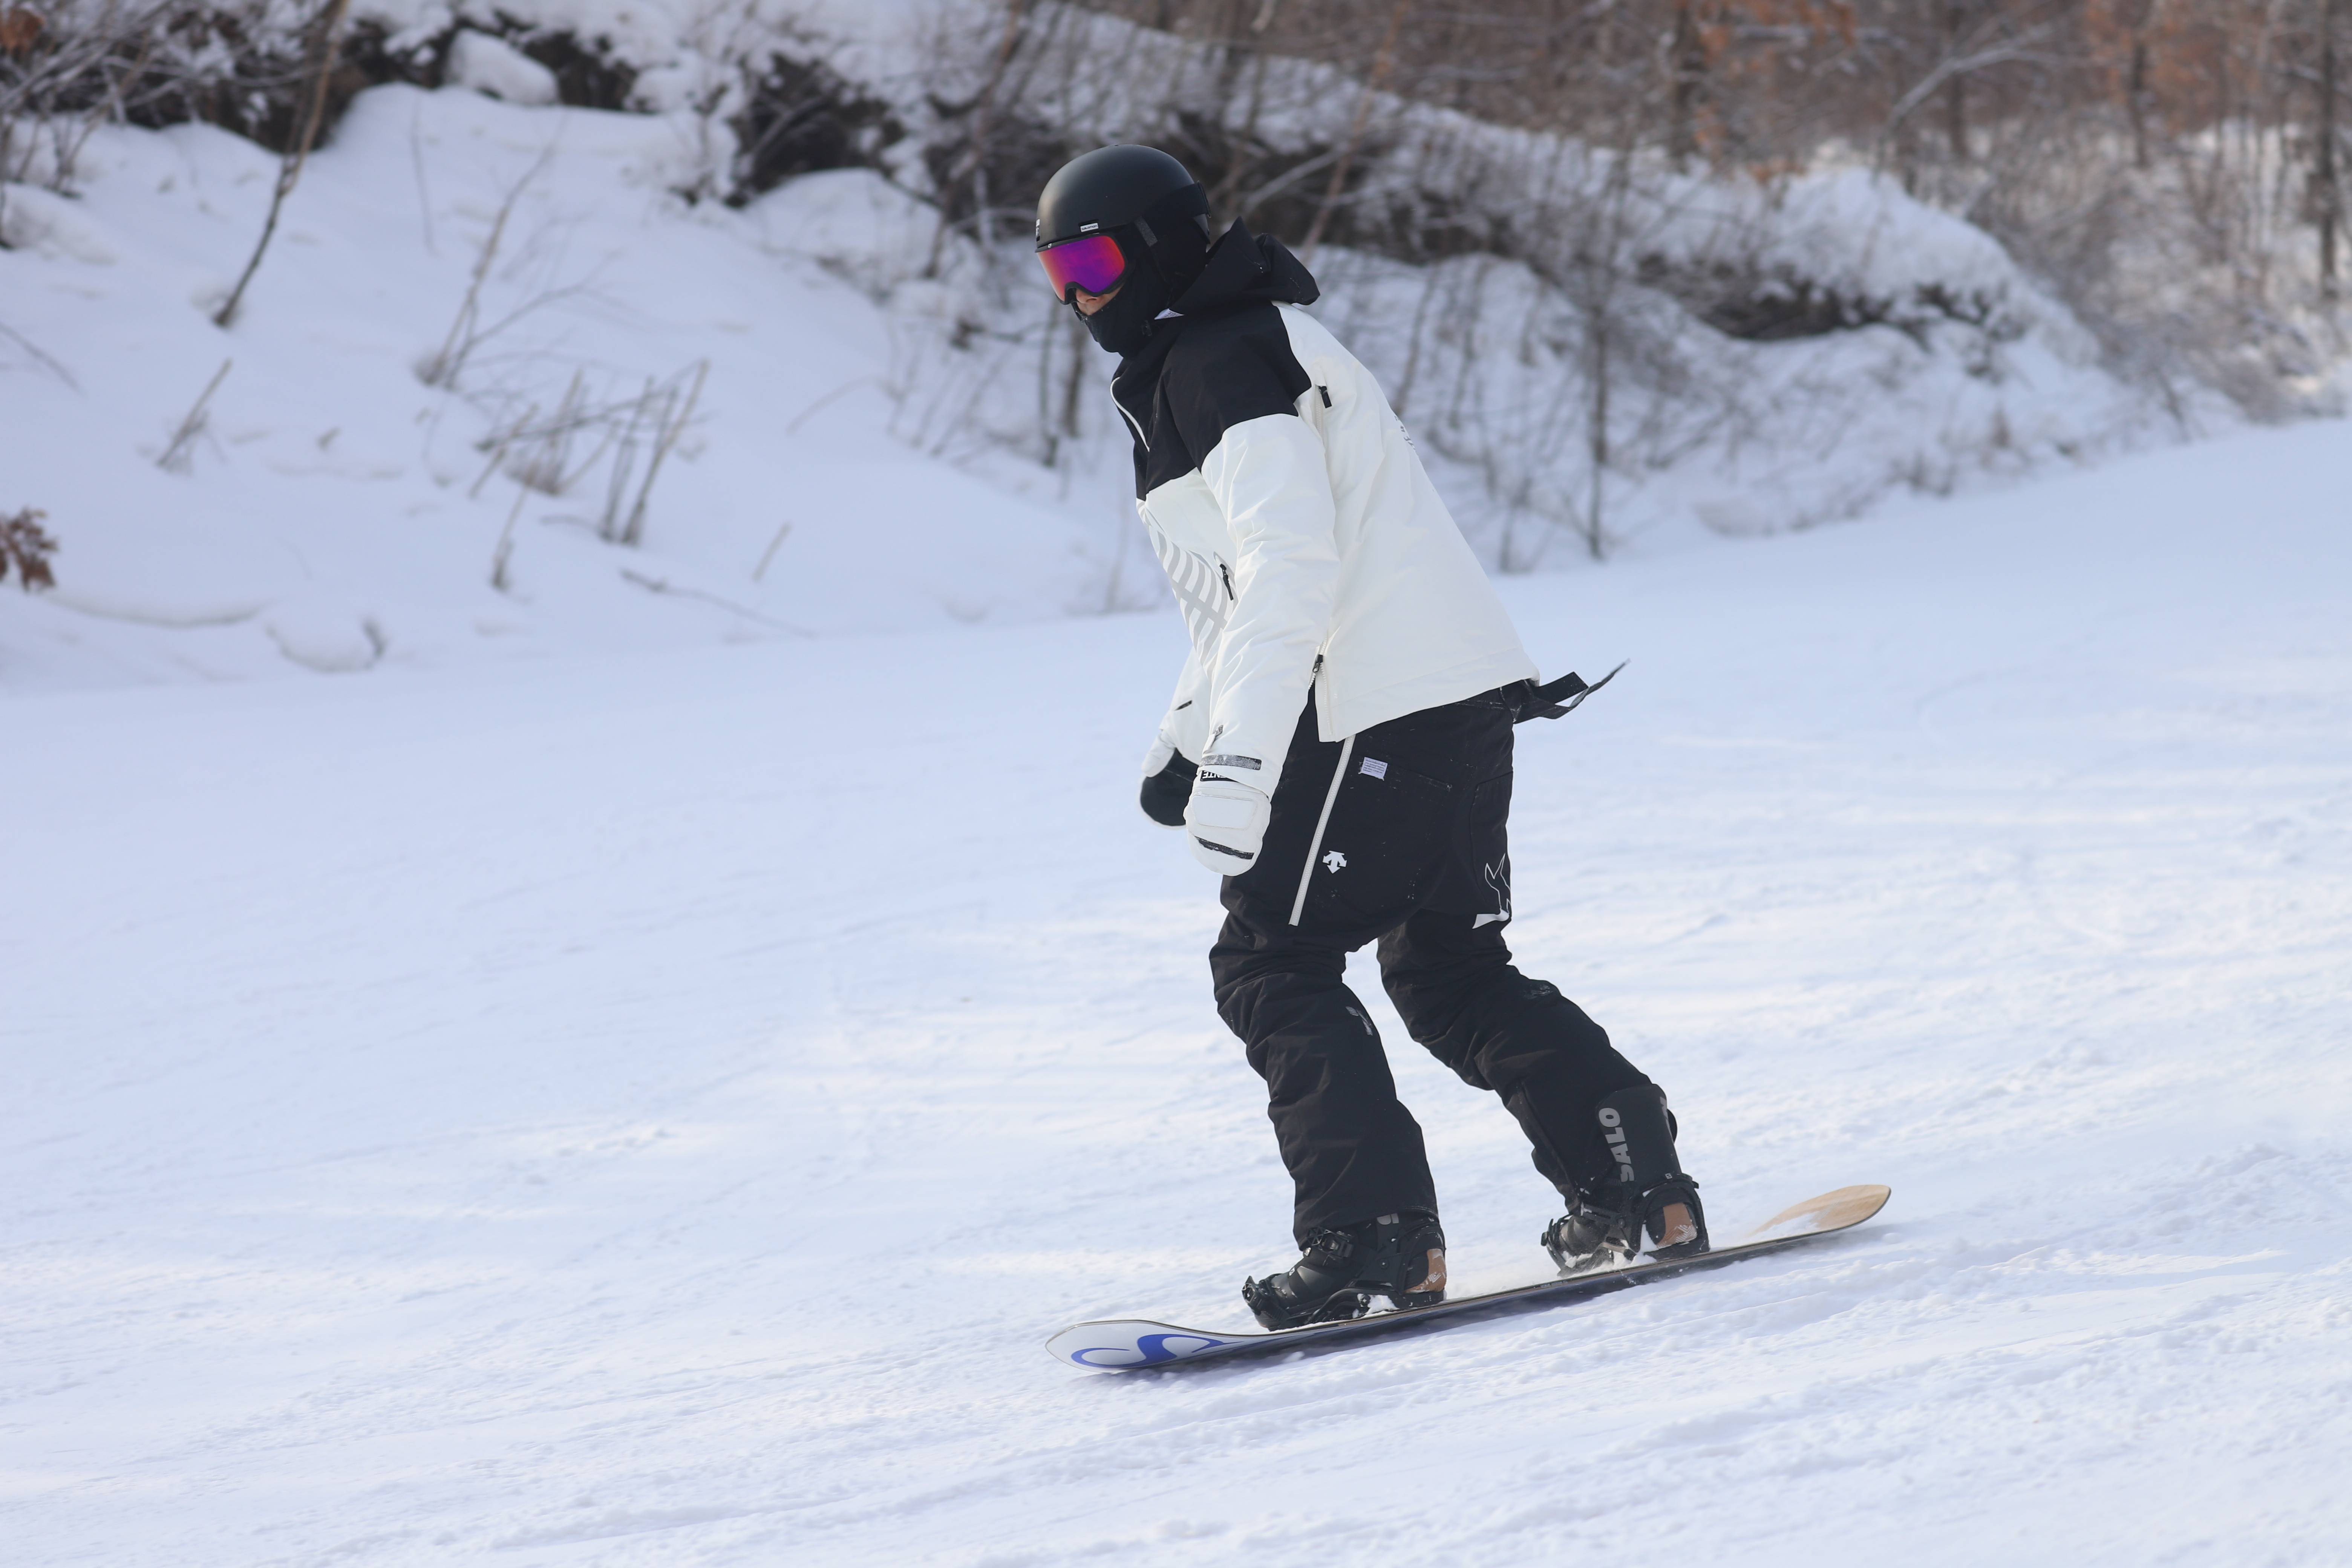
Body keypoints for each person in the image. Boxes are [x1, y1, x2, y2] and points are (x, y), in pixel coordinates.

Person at [1034, 145, 1707, 1329]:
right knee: (1447, 970)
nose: (1079, 295)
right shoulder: (1243, 340)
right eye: (1054, 273)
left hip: (1372, 706)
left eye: (1091, 261)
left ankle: (1374, 1242)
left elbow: (1292, 569)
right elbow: (1243, 590)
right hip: (1455, 695)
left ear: (1153, 248)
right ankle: (1634, 1183)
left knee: (1271, 964)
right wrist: (1188, 737)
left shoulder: (1217, 356)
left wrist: (1240, 768)